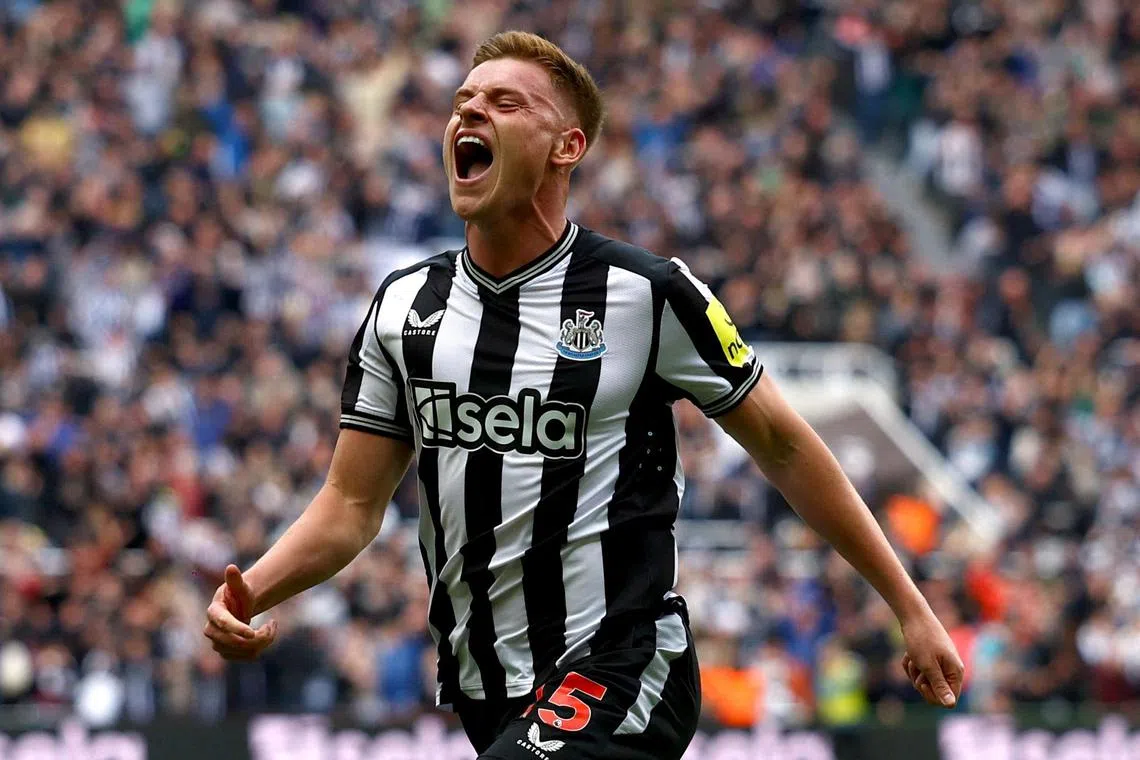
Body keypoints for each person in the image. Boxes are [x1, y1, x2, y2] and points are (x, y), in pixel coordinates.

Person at [203, 31, 964, 760]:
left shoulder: (646, 294)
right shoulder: (404, 308)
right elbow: (349, 504)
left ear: (568, 146)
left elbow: (786, 445)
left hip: (625, 663)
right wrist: (254, 591)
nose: (469, 112)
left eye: (504, 103)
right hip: (487, 686)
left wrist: (910, 605)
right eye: (464, 99)